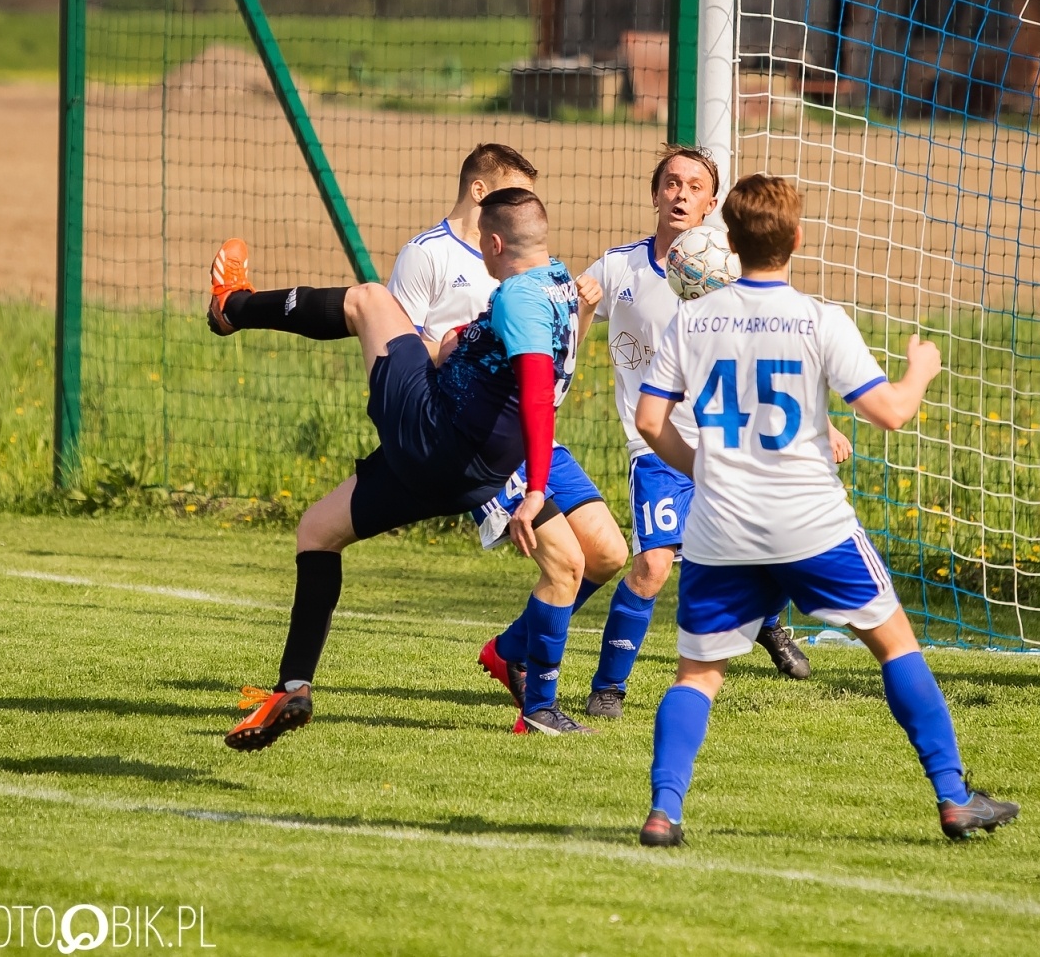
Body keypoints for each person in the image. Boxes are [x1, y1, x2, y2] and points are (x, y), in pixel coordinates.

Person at [633, 173, 1019, 845]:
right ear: (797, 239)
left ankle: (665, 811)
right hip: (810, 521)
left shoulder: (690, 319)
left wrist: (708, 469)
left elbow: (647, 420)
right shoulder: (818, 318)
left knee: (698, 674)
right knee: (894, 643)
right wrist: (922, 366)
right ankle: (953, 797)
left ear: (729, 241)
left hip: (722, 526)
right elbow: (891, 413)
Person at [210, 187, 599, 744]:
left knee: (368, 301)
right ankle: (291, 687)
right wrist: (461, 342)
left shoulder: (517, 297)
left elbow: (539, 391)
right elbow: (538, 370)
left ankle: (231, 307)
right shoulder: (562, 285)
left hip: (435, 433)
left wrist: (537, 490)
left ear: (493, 242)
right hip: (476, 472)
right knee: (317, 530)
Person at [484, 146, 847, 720]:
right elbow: (560, 342)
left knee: (782, 538)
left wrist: (819, 423)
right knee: (652, 565)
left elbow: (769, 356)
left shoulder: (731, 277)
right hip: (656, 448)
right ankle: (608, 690)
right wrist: (581, 310)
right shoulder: (617, 269)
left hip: (731, 442)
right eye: (671, 183)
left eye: (695, 186)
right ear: (655, 195)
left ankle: (765, 618)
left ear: (712, 203)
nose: (681, 193)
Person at [381, 143, 627, 706]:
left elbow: (550, 368)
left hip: (534, 433)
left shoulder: (527, 268)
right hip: (479, 434)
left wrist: (583, 310)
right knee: (566, 563)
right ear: (480, 194)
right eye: (516, 192)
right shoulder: (428, 255)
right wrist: (454, 346)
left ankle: (511, 649)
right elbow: (405, 347)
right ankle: (540, 707)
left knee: (609, 553)